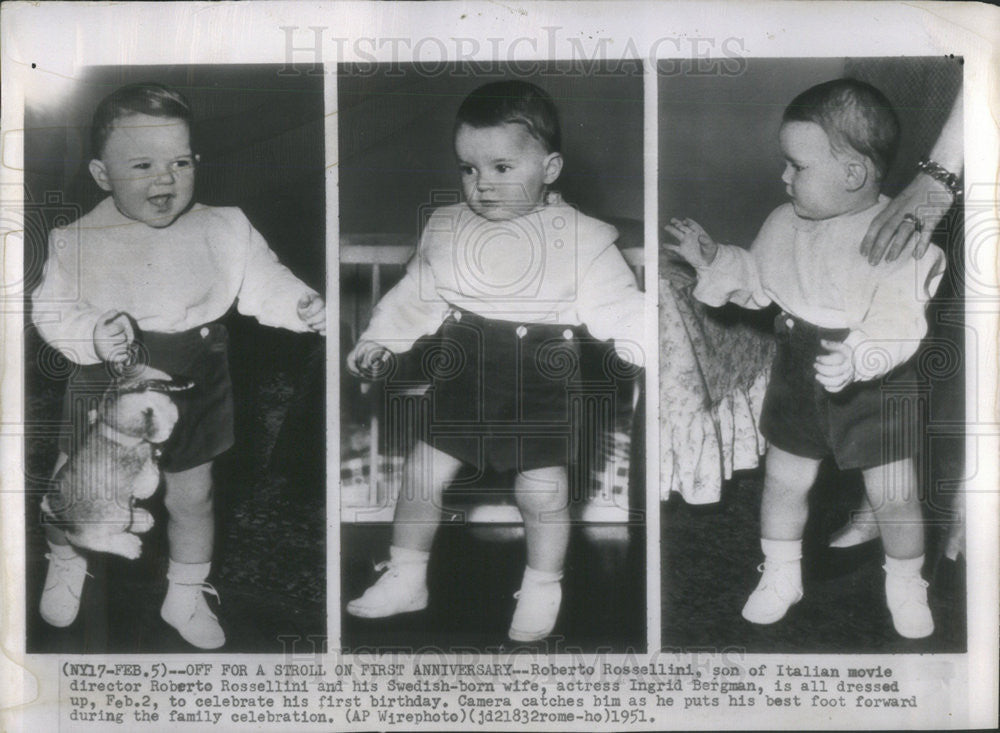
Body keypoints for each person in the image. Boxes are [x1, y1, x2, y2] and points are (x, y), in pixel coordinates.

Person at [344, 80, 643, 642]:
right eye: (468, 169)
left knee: (542, 491)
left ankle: (542, 583)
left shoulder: (581, 238)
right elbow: (416, 293)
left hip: (541, 375)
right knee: (421, 476)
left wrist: (647, 338)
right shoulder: (450, 227)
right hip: (465, 365)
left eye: (502, 167)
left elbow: (618, 308)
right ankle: (407, 575)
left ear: (550, 168)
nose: (482, 185)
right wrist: (381, 339)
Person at [31, 82, 326, 649]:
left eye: (179, 162)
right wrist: (92, 333)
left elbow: (264, 282)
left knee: (195, 496)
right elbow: (52, 309)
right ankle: (65, 557)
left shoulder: (225, 226)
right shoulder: (76, 240)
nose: (165, 179)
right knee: (73, 488)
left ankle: (186, 590)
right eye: (142, 164)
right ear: (101, 175)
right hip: (106, 386)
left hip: (197, 381)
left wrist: (301, 305)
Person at [666, 79, 946, 638]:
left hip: (874, 383)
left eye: (797, 166)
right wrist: (715, 259)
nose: (784, 177)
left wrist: (862, 355)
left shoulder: (895, 235)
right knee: (783, 483)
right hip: (798, 374)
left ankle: (906, 583)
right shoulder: (783, 222)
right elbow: (759, 282)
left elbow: (900, 319)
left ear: (853, 175)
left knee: (894, 494)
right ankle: (780, 573)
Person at [830, 87, 963, 549]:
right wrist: (941, 173)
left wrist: (943, 175)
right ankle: (884, 498)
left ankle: (969, 501)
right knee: (924, 325)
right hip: (941, 94)